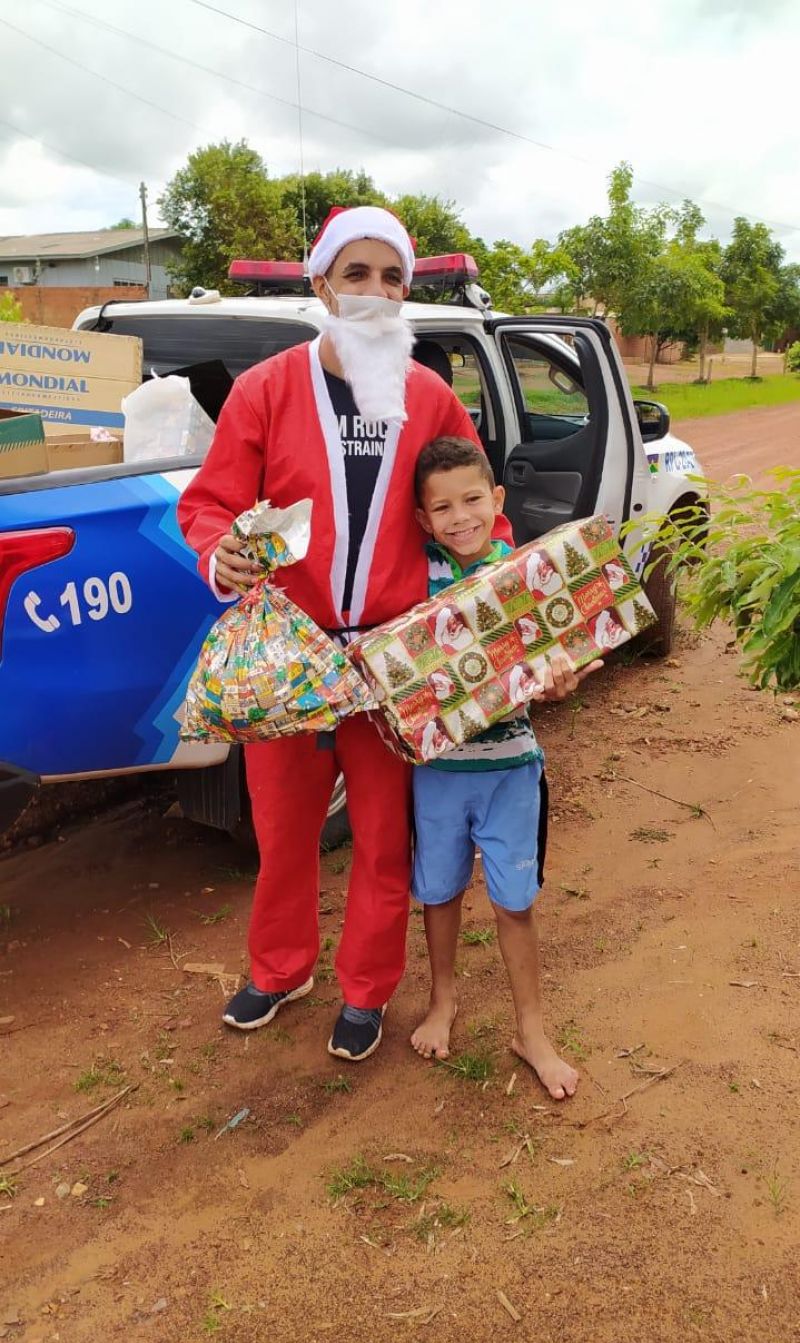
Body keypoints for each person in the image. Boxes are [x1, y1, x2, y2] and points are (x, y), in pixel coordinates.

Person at [178, 206, 509, 1062]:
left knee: (381, 835)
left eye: (391, 277)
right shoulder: (267, 389)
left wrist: (495, 589)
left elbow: (475, 511)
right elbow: (211, 503)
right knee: (283, 831)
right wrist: (222, 555)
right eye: (355, 274)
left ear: (406, 292)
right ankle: (280, 968)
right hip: (290, 658)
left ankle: (366, 989)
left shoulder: (429, 396)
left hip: (391, 660)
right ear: (321, 284)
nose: (373, 291)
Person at [408, 436, 602, 1099]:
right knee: (438, 893)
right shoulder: (414, 580)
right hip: (437, 773)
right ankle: (441, 1002)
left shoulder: (525, 577)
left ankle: (531, 1032)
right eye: (442, 508)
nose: (460, 518)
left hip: (512, 769)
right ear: (423, 518)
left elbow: (557, 660)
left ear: (497, 500)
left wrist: (560, 680)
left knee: (514, 904)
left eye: (472, 501)